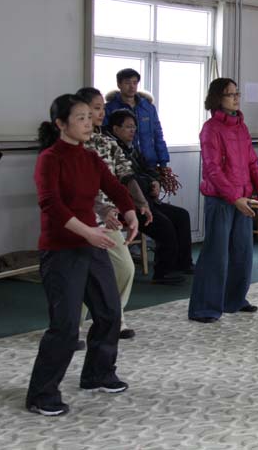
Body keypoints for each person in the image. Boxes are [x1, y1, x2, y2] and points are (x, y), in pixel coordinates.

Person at [27, 94, 138, 416]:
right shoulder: (50, 159)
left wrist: (130, 211)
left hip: (91, 244)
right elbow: (51, 203)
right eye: (81, 118)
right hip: (61, 250)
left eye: (90, 117)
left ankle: (97, 374)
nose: (89, 123)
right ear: (61, 124)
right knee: (64, 326)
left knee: (109, 312)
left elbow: (114, 186)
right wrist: (88, 232)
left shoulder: (89, 157)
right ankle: (41, 394)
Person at [75, 88, 153, 342]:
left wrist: (140, 204)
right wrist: (103, 208)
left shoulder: (106, 143)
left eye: (102, 108)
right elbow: (77, 189)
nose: (101, 112)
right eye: (96, 108)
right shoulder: (72, 146)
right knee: (82, 276)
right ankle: (73, 326)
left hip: (108, 221)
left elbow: (124, 177)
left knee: (125, 269)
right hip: (78, 223)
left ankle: (114, 317)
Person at [188, 79, 258, 322]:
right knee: (216, 255)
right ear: (217, 98)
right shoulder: (210, 129)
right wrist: (234, 198)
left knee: (242, 253)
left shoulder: (241, 127)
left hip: (243, 199)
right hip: (221, 200)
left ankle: (233, 299)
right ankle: (204, 308)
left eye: (237, 93)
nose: (236, 98)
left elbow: (252, 162)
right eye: (229, 94)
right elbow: (212, 169)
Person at [107, 109, 192, 284]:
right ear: (115, 129)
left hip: (148, 200)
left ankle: (182, 263)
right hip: (129, 205)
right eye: (128, 127)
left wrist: (155, 181)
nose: (133, 130)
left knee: (181, 215)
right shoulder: (111, 150)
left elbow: (149, 169)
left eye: (134, 127)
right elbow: (127, 180)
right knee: (164, 225)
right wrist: (148, 183)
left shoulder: (133, 148)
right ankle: (162, 272)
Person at [104, 68, 169, 169]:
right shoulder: (109, 108)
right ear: (119, 84)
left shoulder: (148, 107)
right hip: (122, 163)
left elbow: (158, 134)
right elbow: (106, 137)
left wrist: (163, 161)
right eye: (127, 83)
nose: (132, 86)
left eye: (135, 83)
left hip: (149, 162)